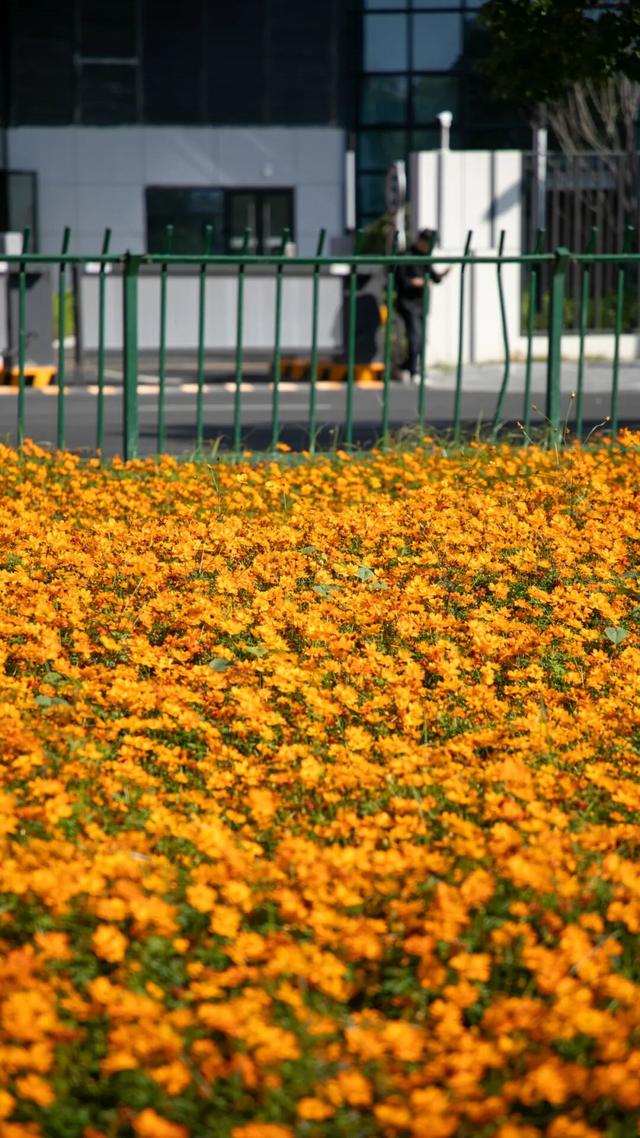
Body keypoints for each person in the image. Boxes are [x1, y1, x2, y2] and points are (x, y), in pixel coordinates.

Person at [394, 228, 450, 384]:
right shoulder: (407, 256)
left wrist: (444, 273)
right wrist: (418, 282)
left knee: (421, 338)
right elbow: (402, 281)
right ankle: (413, 371)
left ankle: (409, 367)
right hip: (408, 303)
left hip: (421, 304)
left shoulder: (425, 258)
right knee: (415, 336)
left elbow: (434, 277)